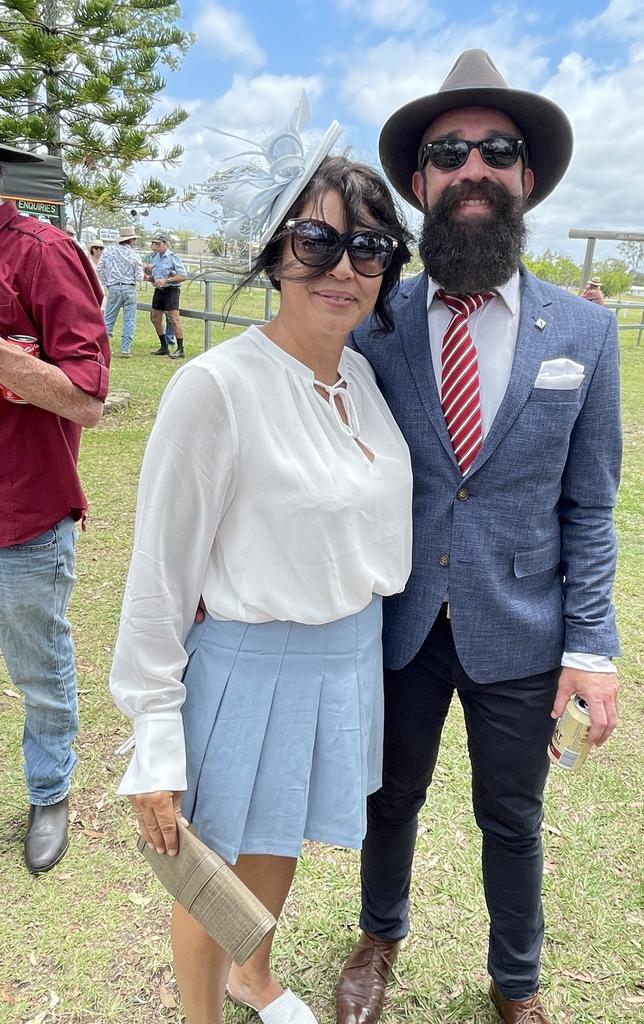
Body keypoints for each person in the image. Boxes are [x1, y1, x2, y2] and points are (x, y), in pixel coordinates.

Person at [109, 104, 413, 1024]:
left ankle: (255, 975)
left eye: (370, 249)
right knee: (212, 878)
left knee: (279, 841)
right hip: (252, 663)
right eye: (317, 241)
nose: (343, 269)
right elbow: (159, 576)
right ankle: (205, 1011)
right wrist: (154, 744)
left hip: (345, 658)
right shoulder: (217, 387)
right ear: (276, 250)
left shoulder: (360, 376)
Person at [335, 50, 621, 1024]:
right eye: (446, 151)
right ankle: (378, 936)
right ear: (418, 183)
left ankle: (517, 983)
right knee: (390, 798)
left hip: (522, 627)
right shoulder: (372, 324)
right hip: (402, 620)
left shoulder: (585, 336)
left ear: (525, 176)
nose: (471, 168)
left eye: (495, 149)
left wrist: (592, 647)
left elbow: (590, 505)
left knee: (513, 816)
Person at [0, 142, 110, 874]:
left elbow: (89, 397)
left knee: (38, 664)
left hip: (22, 516)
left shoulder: (41, 253)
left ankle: (49, 789)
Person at [99, 228, 144, 357]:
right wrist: (135, 280)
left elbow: (100, 268)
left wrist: (107, 282)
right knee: (129, 320)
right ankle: (125, 348)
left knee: (109, 319)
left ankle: (104, 348)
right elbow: (139, 275)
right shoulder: (134, 254)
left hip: (114, 287)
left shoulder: (109, 251)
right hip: (129, 287)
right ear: (131, 240)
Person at [145, 233, 187, 359]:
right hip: (159, 290)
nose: (154, 246)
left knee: (174, 319)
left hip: (171, 290)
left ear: (164, 244)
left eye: (157, 243)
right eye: (153, 243)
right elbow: (156, 277)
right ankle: (164, 346)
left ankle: (180, 349)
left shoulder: (173, 257)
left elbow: (183, 275)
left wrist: (166, 280)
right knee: (155, 317)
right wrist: (149, 278)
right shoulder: (155, 258)